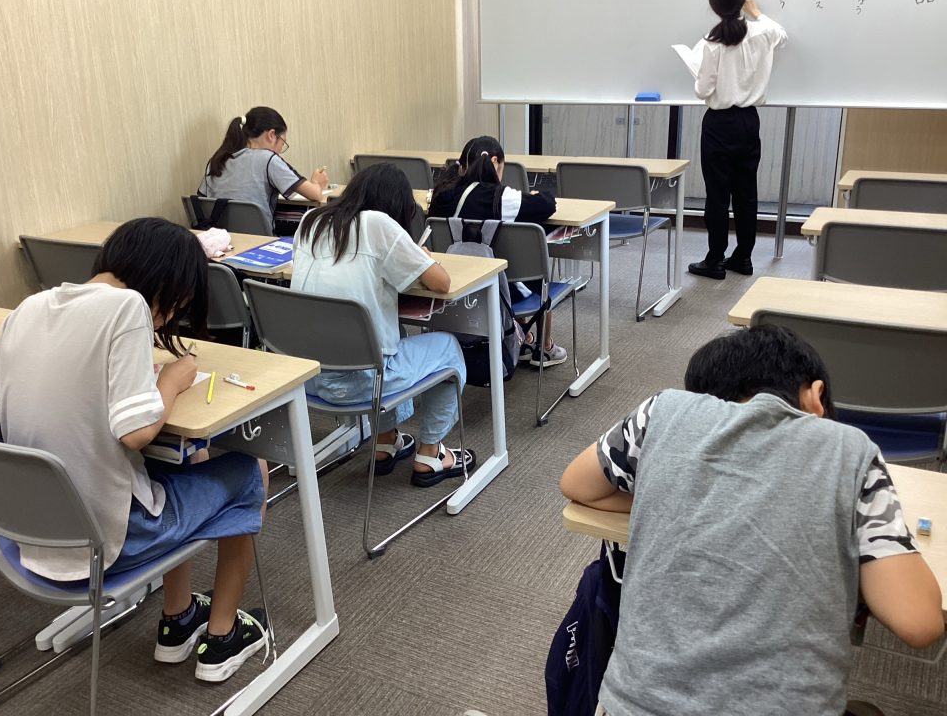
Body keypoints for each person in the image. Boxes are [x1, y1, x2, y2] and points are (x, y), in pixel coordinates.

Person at [561, 325, 943, 716]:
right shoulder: (849, 449)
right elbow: (919, 621)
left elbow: (577, 484)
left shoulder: (661, 412)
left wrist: (667, 493)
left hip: (627, 707)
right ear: (816, 397)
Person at [0, 218, 270, 684]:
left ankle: (180, 616)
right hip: (106, 539)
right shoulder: (129, 306)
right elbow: (137, 434)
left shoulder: (29, 307)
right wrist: (171, 380)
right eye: (177, 305)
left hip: (28, 532)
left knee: (188, 459)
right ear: (167, 284)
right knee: (251, 469)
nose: (168, 319)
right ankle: (222, 636)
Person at [292, 163, 473, 485]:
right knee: (448, 347)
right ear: (395, 206)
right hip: (362, 382)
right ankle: (431, 455)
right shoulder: (379, 223)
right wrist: (419, 255)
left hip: (308, 378)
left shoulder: (312, 220)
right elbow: (442, 282)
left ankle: (385, 441)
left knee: (392, 332)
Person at [430, 136, 566, 368]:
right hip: (497, 287)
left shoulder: (441, 194)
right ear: (494, 161)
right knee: (534, 277)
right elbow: (547, 205)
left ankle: (522, 337)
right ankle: (544, 348)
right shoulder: (501, 197)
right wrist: (535, 196)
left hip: (450, 281)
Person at [687, 0, 787, 280]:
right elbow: (782, 35)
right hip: (748, 122)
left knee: (717, 195)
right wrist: (756, 12)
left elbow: (703, 90)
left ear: (714, 5)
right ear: (743, 0)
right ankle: (743, 257)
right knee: (746, 193)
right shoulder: (762, 32)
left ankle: (715, 259)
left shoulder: (712, 42)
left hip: (719, 124)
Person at [198, 106, 329, 235]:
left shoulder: (217, 160)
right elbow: (315, 195)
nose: (280, 149)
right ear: (271, 135)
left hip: (220, 240)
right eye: (282, 143)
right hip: (260, 241)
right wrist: (317, 182)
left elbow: (202, 201)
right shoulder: (268, 159)